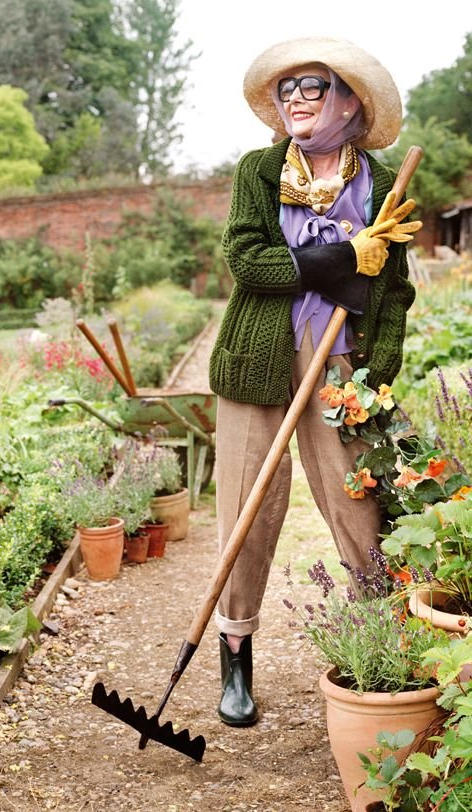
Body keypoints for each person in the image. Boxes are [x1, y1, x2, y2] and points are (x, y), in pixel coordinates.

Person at [208, 37, 422, 727]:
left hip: (340, 365)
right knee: (246, 508)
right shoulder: (259, 171)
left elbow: (393, 292)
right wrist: (337, 256)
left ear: (351, 101)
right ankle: (235, 655)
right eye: (286, 90)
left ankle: (382, 645)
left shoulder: (383, 187)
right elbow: (249, 260)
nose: (294, 100)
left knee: (359, 509)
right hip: (258, 359)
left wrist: (374, 374)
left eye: (312, 87)